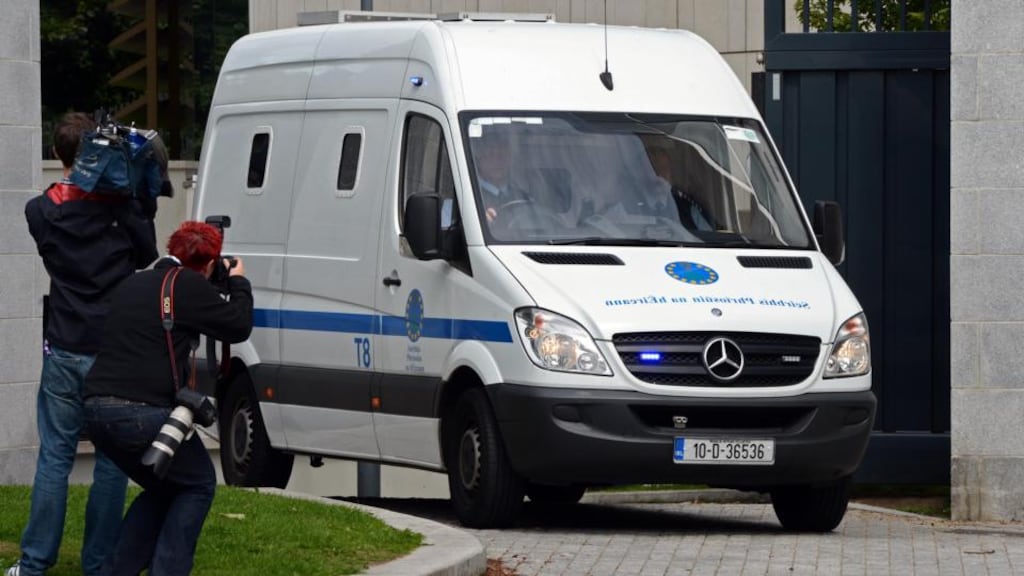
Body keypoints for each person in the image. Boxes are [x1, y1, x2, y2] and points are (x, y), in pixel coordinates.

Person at [9, 113, 159, 576]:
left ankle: (34, 563)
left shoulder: (41, 211)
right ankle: (100, 564)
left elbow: (50, 233)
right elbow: (147, 255)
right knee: (112, 464)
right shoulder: (122, 207)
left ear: (59, 156)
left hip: (65, 345)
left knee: (55, 456)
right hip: (114, 352)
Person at [83, 221, 254, 576]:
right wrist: (237, 281)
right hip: (141, 415)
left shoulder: (133, 282)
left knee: (165, 488)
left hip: (96, 410)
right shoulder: (187, 285)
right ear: (208, 264)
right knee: (198, 484)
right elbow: (237, 324)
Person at [646, 144, 717, 231]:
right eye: (653, 170)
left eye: (664, 169)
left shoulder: (688, 210)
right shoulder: (628, 206)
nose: (659, 175)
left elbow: (708, 239)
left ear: (671, 174)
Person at [472, 130, 526, 224]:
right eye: (491, 155)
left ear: (510, 159)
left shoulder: (523, 197)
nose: (497, 162)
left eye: (502, 156)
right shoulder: (469, 197)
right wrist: (477, 221)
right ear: (479, 159)